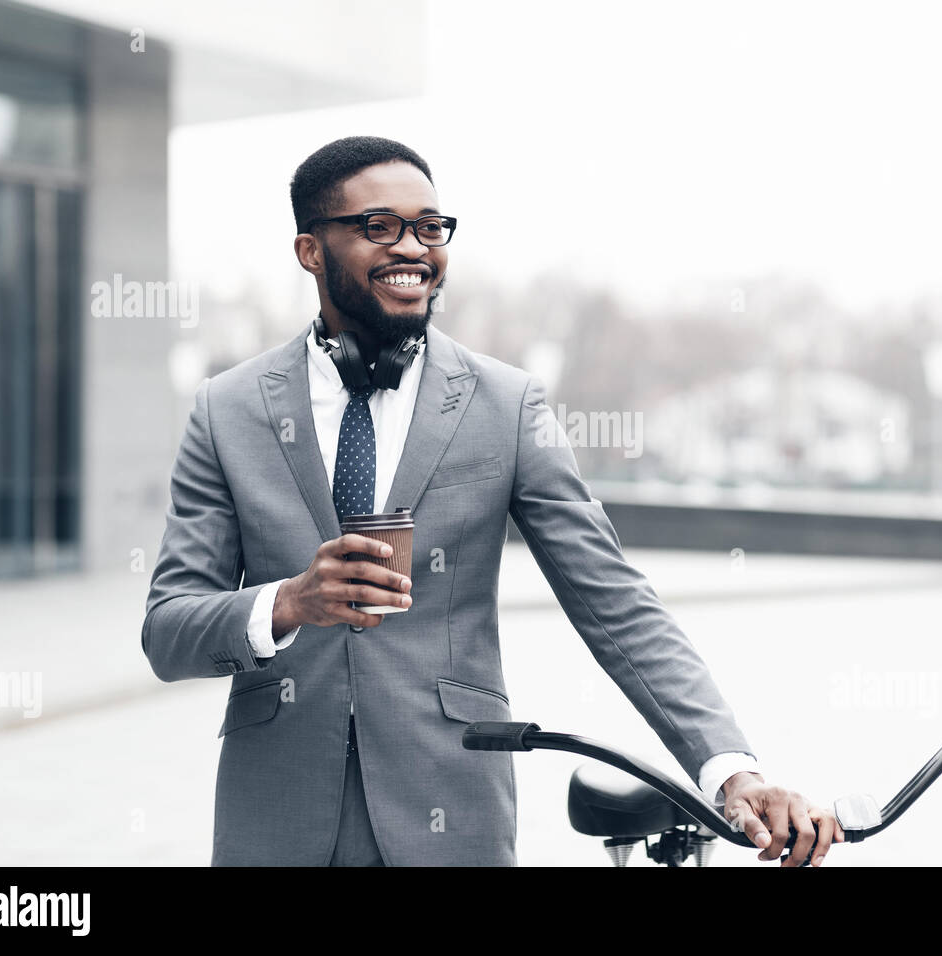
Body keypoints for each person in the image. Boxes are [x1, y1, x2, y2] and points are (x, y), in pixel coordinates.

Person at [141, 135, 842, 867]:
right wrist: (289, 601)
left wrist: (733, 769)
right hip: (274, 817)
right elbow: (168, 629)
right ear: (310, 251)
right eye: (379, 227)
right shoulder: (226, 410)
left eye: (429, 226)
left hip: (452, 813)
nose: (413, 247)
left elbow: (615, 602)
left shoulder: (506, 406)